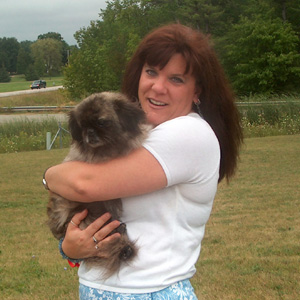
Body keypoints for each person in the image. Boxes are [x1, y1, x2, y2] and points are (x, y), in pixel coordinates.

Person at [44, 23, 243, 299]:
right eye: (151, 72)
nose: (158, 87)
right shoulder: (136, 138)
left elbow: (83, 185)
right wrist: (69, 248)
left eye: (176, 79)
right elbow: (85, 213)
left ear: (197, 91)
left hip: (152, 292)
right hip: (99, 289)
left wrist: (48, 175)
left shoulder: (189, 134)